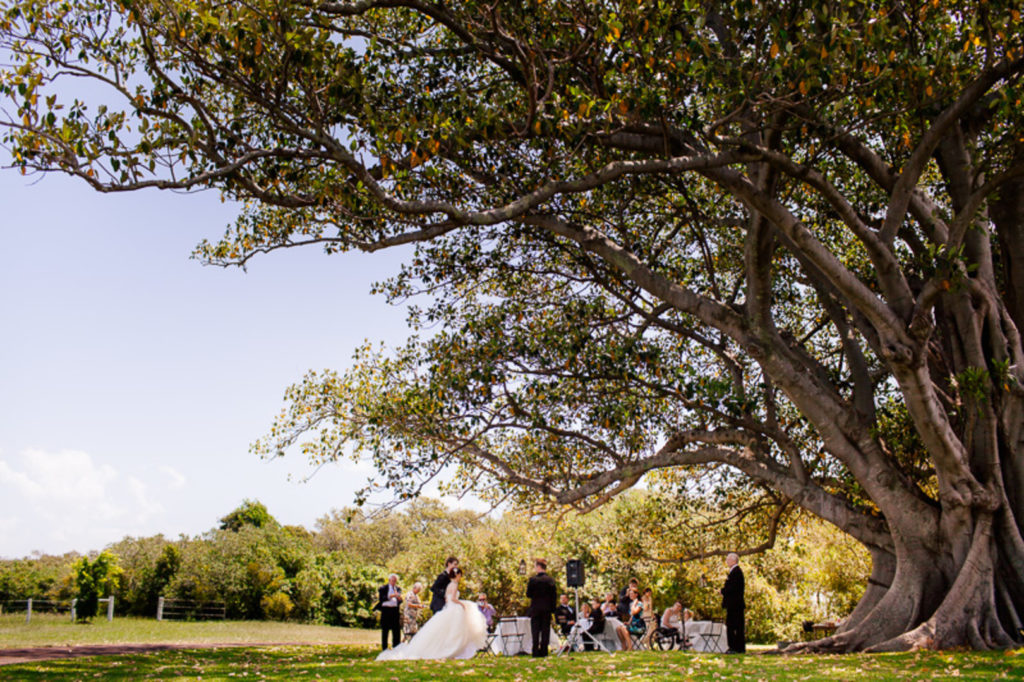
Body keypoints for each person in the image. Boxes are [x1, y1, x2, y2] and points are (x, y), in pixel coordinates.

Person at [377, 566, 486, 660]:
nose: (460, 577)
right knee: (455, 629)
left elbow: (446, 599)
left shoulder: (448, 585)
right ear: (457, 575)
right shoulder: (454, 584)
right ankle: (454, 649)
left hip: (448, 608)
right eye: (460, 575)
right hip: (453, 608)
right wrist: (461, 604)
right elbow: (452, 598)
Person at [525, 558, 557, 657]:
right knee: (545, 630)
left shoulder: (533, 580)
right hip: (546, 609)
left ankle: (535, 650)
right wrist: (552, 609)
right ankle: (544, 651)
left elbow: (528, 594)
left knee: (535, 630)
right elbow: (554, 596)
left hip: (535, 608)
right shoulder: (550, 580)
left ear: (538, 567)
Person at [720, 552, 746, 653]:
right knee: (736, 626)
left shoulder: (736, 572)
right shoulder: (735, 572)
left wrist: (723, 591)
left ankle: (734, 647)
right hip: (735, 604)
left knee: (733, 626)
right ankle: (737, 647)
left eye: (728, 559)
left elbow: (733, 588)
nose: (726, 561)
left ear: (733, 560)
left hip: (734, 605)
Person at [374, 573, 403, 651]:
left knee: (396, 629)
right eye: (392, 581)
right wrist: (392, 596)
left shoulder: (398, 589)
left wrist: (399, 598)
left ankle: (396, 646)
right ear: (389, 580)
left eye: (395, 581)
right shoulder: (383, 588)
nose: (393, 582)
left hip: (394, 610)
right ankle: (385, 647)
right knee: (385, 629)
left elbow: (400, 600)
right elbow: (382, 598)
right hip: (386, 610)